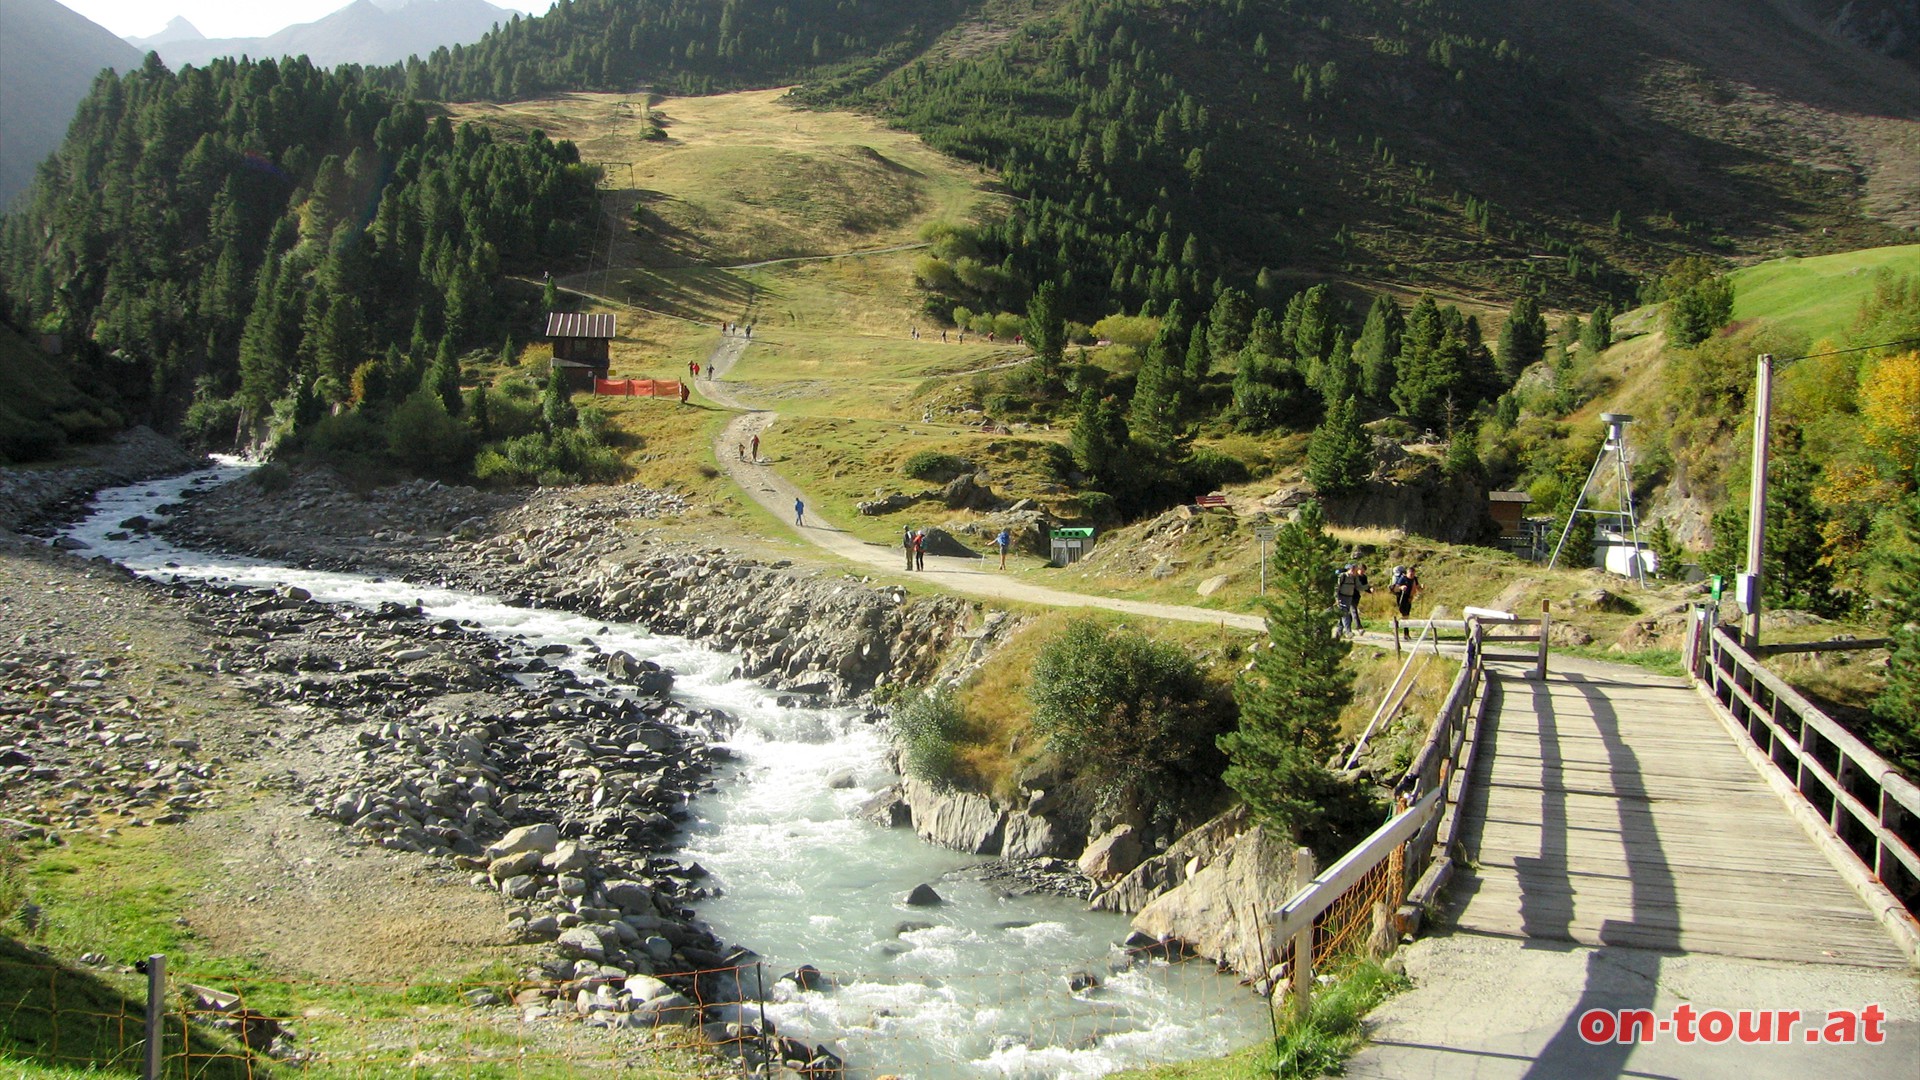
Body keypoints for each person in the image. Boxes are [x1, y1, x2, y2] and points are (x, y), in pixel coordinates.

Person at [1335, 562, 1370, 639]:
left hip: (1349, 598)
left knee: (1343, 615)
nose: (1355, 571)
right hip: (1341, 597)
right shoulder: (1342, 576)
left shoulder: (1354, 578)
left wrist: (1368, 586)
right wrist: (1337, 598)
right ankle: (1348, 632)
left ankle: (1338, 633)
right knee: (1345, 614)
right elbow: (1336, 588)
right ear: (1350, 569)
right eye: (1354, 570)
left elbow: (1359, 587)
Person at [1391, 566, 1423, 636]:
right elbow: (1396, 588)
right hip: (1401, 597)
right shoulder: (1403, 578)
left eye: (1413, 574)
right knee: (1404, 615)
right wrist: (1401, 587)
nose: (1412, 576)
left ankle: (1400, 630)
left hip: (1409, 598)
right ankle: (1402, 631)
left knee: (1406, 615)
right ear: (1407, 573)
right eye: (1411, 574)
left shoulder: (1414, 579)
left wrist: (1421, 588)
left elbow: (1418, 587)